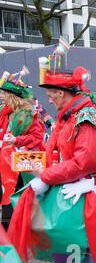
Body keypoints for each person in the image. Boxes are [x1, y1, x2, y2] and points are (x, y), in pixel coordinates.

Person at [8, 56, 96, 263]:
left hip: (86, 191)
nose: (48, 100)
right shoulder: (69, 117)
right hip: (74, 189)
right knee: (81, 246)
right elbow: (60, 153)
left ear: (61, 92)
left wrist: (46, 175)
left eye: (50, 95)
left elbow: (83, 162)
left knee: (80, 247)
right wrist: (33, 161)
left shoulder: (85, 119)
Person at [0, 71, 45, 231]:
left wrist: (17, 140)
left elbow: (37, 136)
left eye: (4, 94)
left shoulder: (27, 114)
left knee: (15, 198)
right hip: (4, 165)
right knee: (6, 197)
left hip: (21, 164)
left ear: (12, 96)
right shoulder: (3, 113)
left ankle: (17, 233)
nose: (2, 96)